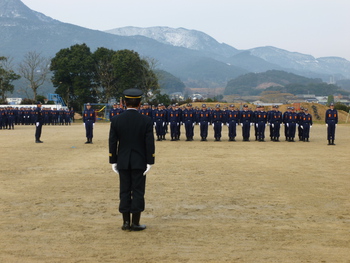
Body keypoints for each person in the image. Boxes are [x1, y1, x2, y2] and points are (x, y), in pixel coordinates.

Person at [109, 88, 155, 232]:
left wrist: (113, 160)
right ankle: (135, 223)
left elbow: (112, 142)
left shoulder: (116, 119)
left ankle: (125, 222)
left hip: (122, 160)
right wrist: (150, 161)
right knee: (138, 191)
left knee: (124, 190)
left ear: (123, 103)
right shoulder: (146, 120)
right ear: (140, 104)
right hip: (139, 161)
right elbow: (149, 143)